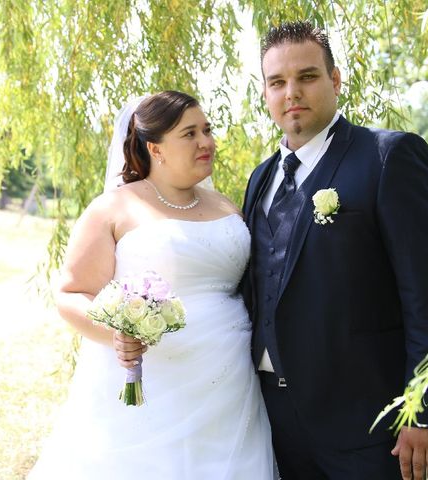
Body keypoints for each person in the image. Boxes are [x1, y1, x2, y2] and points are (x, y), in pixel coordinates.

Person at [241, 20, 428, 480]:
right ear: (265, 92)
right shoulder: (260, 178)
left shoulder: (389, 157)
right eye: (277, 82)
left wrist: (426, 412)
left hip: (368, 421)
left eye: (307, 76)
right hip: (273, 418)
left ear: (336, 80)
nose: (291, 93)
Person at [27, 90, 275, 479]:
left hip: (229, 383)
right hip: (156, 385)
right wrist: (114, 331)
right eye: (189, 133)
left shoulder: (226, 206)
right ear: (155, 148)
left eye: (207, 130)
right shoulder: (114, 208)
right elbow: (69, 291)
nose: (206, 142)